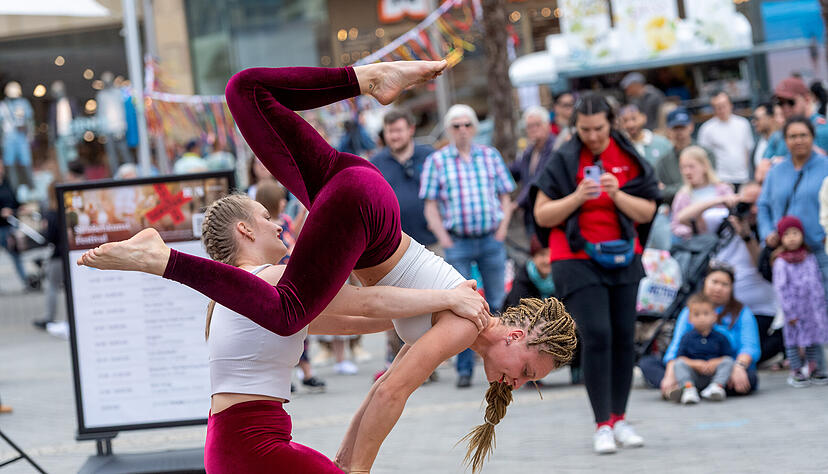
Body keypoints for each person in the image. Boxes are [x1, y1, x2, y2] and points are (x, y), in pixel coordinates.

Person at [77, 60, 577, 474]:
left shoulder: (461, 317)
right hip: (363, 212)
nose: (519, 383)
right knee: (286, 310)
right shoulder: (464, 320)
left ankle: (366, 79)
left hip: (352, 193)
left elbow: (379, 379)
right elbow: (393, 395)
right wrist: (357, 473)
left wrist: (342, 462)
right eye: (529, 372)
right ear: (516, 337)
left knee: (245, 92)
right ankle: (162, 258)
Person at [531, 93, 660, 454]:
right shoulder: (564, 158)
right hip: (574, 256)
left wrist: (616, 195)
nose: (591, 135)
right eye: (584, 129)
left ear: (612, 123)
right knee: (597, 335)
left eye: (598, 128)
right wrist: (576, 197)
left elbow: (648, 210)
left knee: (622, 336)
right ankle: (602, 423)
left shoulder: (628, 156)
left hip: (622, 256)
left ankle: (620, 419)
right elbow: (542, 215)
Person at [421, 103, 516, 388]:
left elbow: (506, 196)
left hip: (490, 239)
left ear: (474, 128)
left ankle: (502, 362)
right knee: (460, 308)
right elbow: (430, 206)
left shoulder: (490, 156)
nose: (462, 130)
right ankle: (464, 369)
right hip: (458, 242)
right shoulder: (437, 161)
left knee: (498, 302)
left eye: (466, 125)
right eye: (456, 126)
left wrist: (502, 230)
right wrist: (445, 238)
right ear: (448, 130)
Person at [370, 107, 436, 378]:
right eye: (389, 132)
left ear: (410, 129)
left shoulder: (429, 156)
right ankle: (401, 366)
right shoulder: (377, 162)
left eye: (398, 130)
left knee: (432, 301)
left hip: (430, 239)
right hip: (392, 246)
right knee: (396, 307)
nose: (394, 136)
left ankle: (431, 360)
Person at [639, 263, 760, 397]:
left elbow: (750, 347)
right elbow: (677, 345)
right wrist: (671, 371)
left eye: (724, 284)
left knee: (750, 378)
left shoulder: (742, 312)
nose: (718, 288)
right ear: (705, 282)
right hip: (691, 367)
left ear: (732, 288)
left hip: (724, 368)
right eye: (714, 282)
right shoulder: (690, 310)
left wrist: (738, 366)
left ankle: (688, 389)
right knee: (648, 363)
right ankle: (683, 386)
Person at [770, 216, 828, 386]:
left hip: (811, 309)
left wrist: (820, 306)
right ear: (781, 238)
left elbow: (817, 281)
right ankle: (796, 371)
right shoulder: (781, 262)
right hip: (793, 310)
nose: (792, 237)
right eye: (787, 234)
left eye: (795, 233)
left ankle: (815, 369)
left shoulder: (809, 257)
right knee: (793, 341)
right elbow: (780, 288)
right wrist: (789, 311)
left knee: (813, 338)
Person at [671, 293, 734, 404]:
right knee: (678, 364)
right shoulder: (687, 338)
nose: (702, 318)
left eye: (706, 314)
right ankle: (688, 389)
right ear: (689, 318)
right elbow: (681, 358)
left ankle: (716, 387)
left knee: (728, 362)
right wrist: (696, 364)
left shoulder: (721, 337)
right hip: (695, 376)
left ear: (714, 316)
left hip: (713, 375)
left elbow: (727, 356)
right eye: (697, 314)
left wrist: (715, 362)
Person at [655, 107, 717, 206]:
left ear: (691, 126)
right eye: (675, 128)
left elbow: (710, 181)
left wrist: (674, 189)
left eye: (682, 127)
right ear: (669, 130)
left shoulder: (706, 153)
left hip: (706, 204)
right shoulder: (663, 161)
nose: (679, 132)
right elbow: (660, 192)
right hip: (675, 208)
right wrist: (691, 185)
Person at [762, 76, 828, 165]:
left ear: (807, 99)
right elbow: (762, 169)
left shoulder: (823, 130)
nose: (785, 108)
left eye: (790, 102)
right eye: (780, 103)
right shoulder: (777, 136)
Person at [512, 106, 556, 237]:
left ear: (547, 125)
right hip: (531, 214)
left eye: (537, 125)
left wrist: (516, 203)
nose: (533, 129)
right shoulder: (529, 151)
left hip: (548, 212)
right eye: (529, 126)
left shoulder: (555, 147)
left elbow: (538, 179)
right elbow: (514, 170)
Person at [697, 92, 754, 188]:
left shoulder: (743, 124)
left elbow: (747, 150)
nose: (721, 110)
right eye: (717, 107)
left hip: (743, 178)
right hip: (720, 179)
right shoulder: (706, 129)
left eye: (723, 106)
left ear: (730, 105)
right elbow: (703, 156)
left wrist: (746, 173)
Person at [0, 161, 29, 290]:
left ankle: (26, 281)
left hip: (10, 225)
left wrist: (20, 207)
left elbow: (14, 201)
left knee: (15, 254)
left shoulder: (7, 183)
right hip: (0, 227)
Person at [751, 103, 777, 179]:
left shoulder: (782, 142)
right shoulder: (759, 143)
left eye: (757, 119)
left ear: (771, 118)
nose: (753, 122)